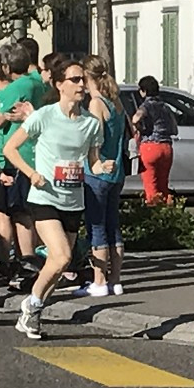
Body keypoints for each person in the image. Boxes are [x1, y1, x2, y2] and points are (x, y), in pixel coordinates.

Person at [5, 58, 111, 340]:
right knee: (62, 254)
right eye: (74, 80)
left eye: (81, 80)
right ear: (59, 85)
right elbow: (10, 149)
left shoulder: (91, 123)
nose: (80, 85)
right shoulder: (45, 115)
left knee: (62, 263)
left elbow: (93, 161)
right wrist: (31, 173)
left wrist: (102, 167)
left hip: (72, 200)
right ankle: (32, 303)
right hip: (44, 197)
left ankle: (32, 311)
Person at [0, 43, 46, 262]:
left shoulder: (15, 88)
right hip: (37, 153)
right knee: (33, 212)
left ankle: (24, 262)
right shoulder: (38, 83)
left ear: (5, 66)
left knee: (19, 214)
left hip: (17, 154)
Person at [75, 54, 128, 297]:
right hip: (117, 172)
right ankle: (115, 280)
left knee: (96, 227)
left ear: (88, 78)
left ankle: (99, 281)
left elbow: (94, 137)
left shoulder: (96, 103)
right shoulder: (116, 101)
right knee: (113, 226)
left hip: (97, 172)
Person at [131, 76, 178, 204]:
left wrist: (137, 126)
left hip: (150, 147)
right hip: (166, 148)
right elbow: (174, 128)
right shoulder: (165, 107)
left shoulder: (147, 105)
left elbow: (136, 118)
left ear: (144, 91)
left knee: (151, 186)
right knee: (163, 185)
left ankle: (153, 213)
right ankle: (166, 213)